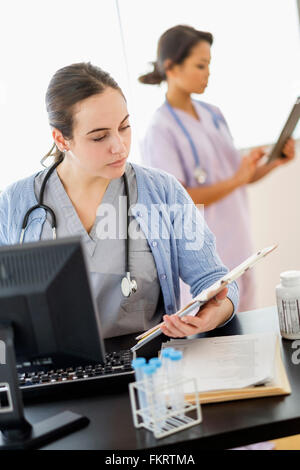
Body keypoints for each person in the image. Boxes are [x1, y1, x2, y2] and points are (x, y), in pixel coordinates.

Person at [0, 62, 239, 340]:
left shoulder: (162, 191)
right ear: (61, 139)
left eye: (124, 127)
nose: (119, 146)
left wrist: (215, 314)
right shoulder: (14, 205)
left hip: (149, 362)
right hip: (55, 371)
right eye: (99, 136)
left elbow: (215, 281)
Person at [139, 25, 295, 312]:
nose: (207, 73)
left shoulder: (214, 114)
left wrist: (273, 163)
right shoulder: (160, 130)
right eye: (200, 65)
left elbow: (239, 177)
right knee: (216, 334)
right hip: (204, 257)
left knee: (247, 325)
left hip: (240, 246)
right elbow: (180, 197)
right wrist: (237, 179)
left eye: (209, 65)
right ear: (171, 67)